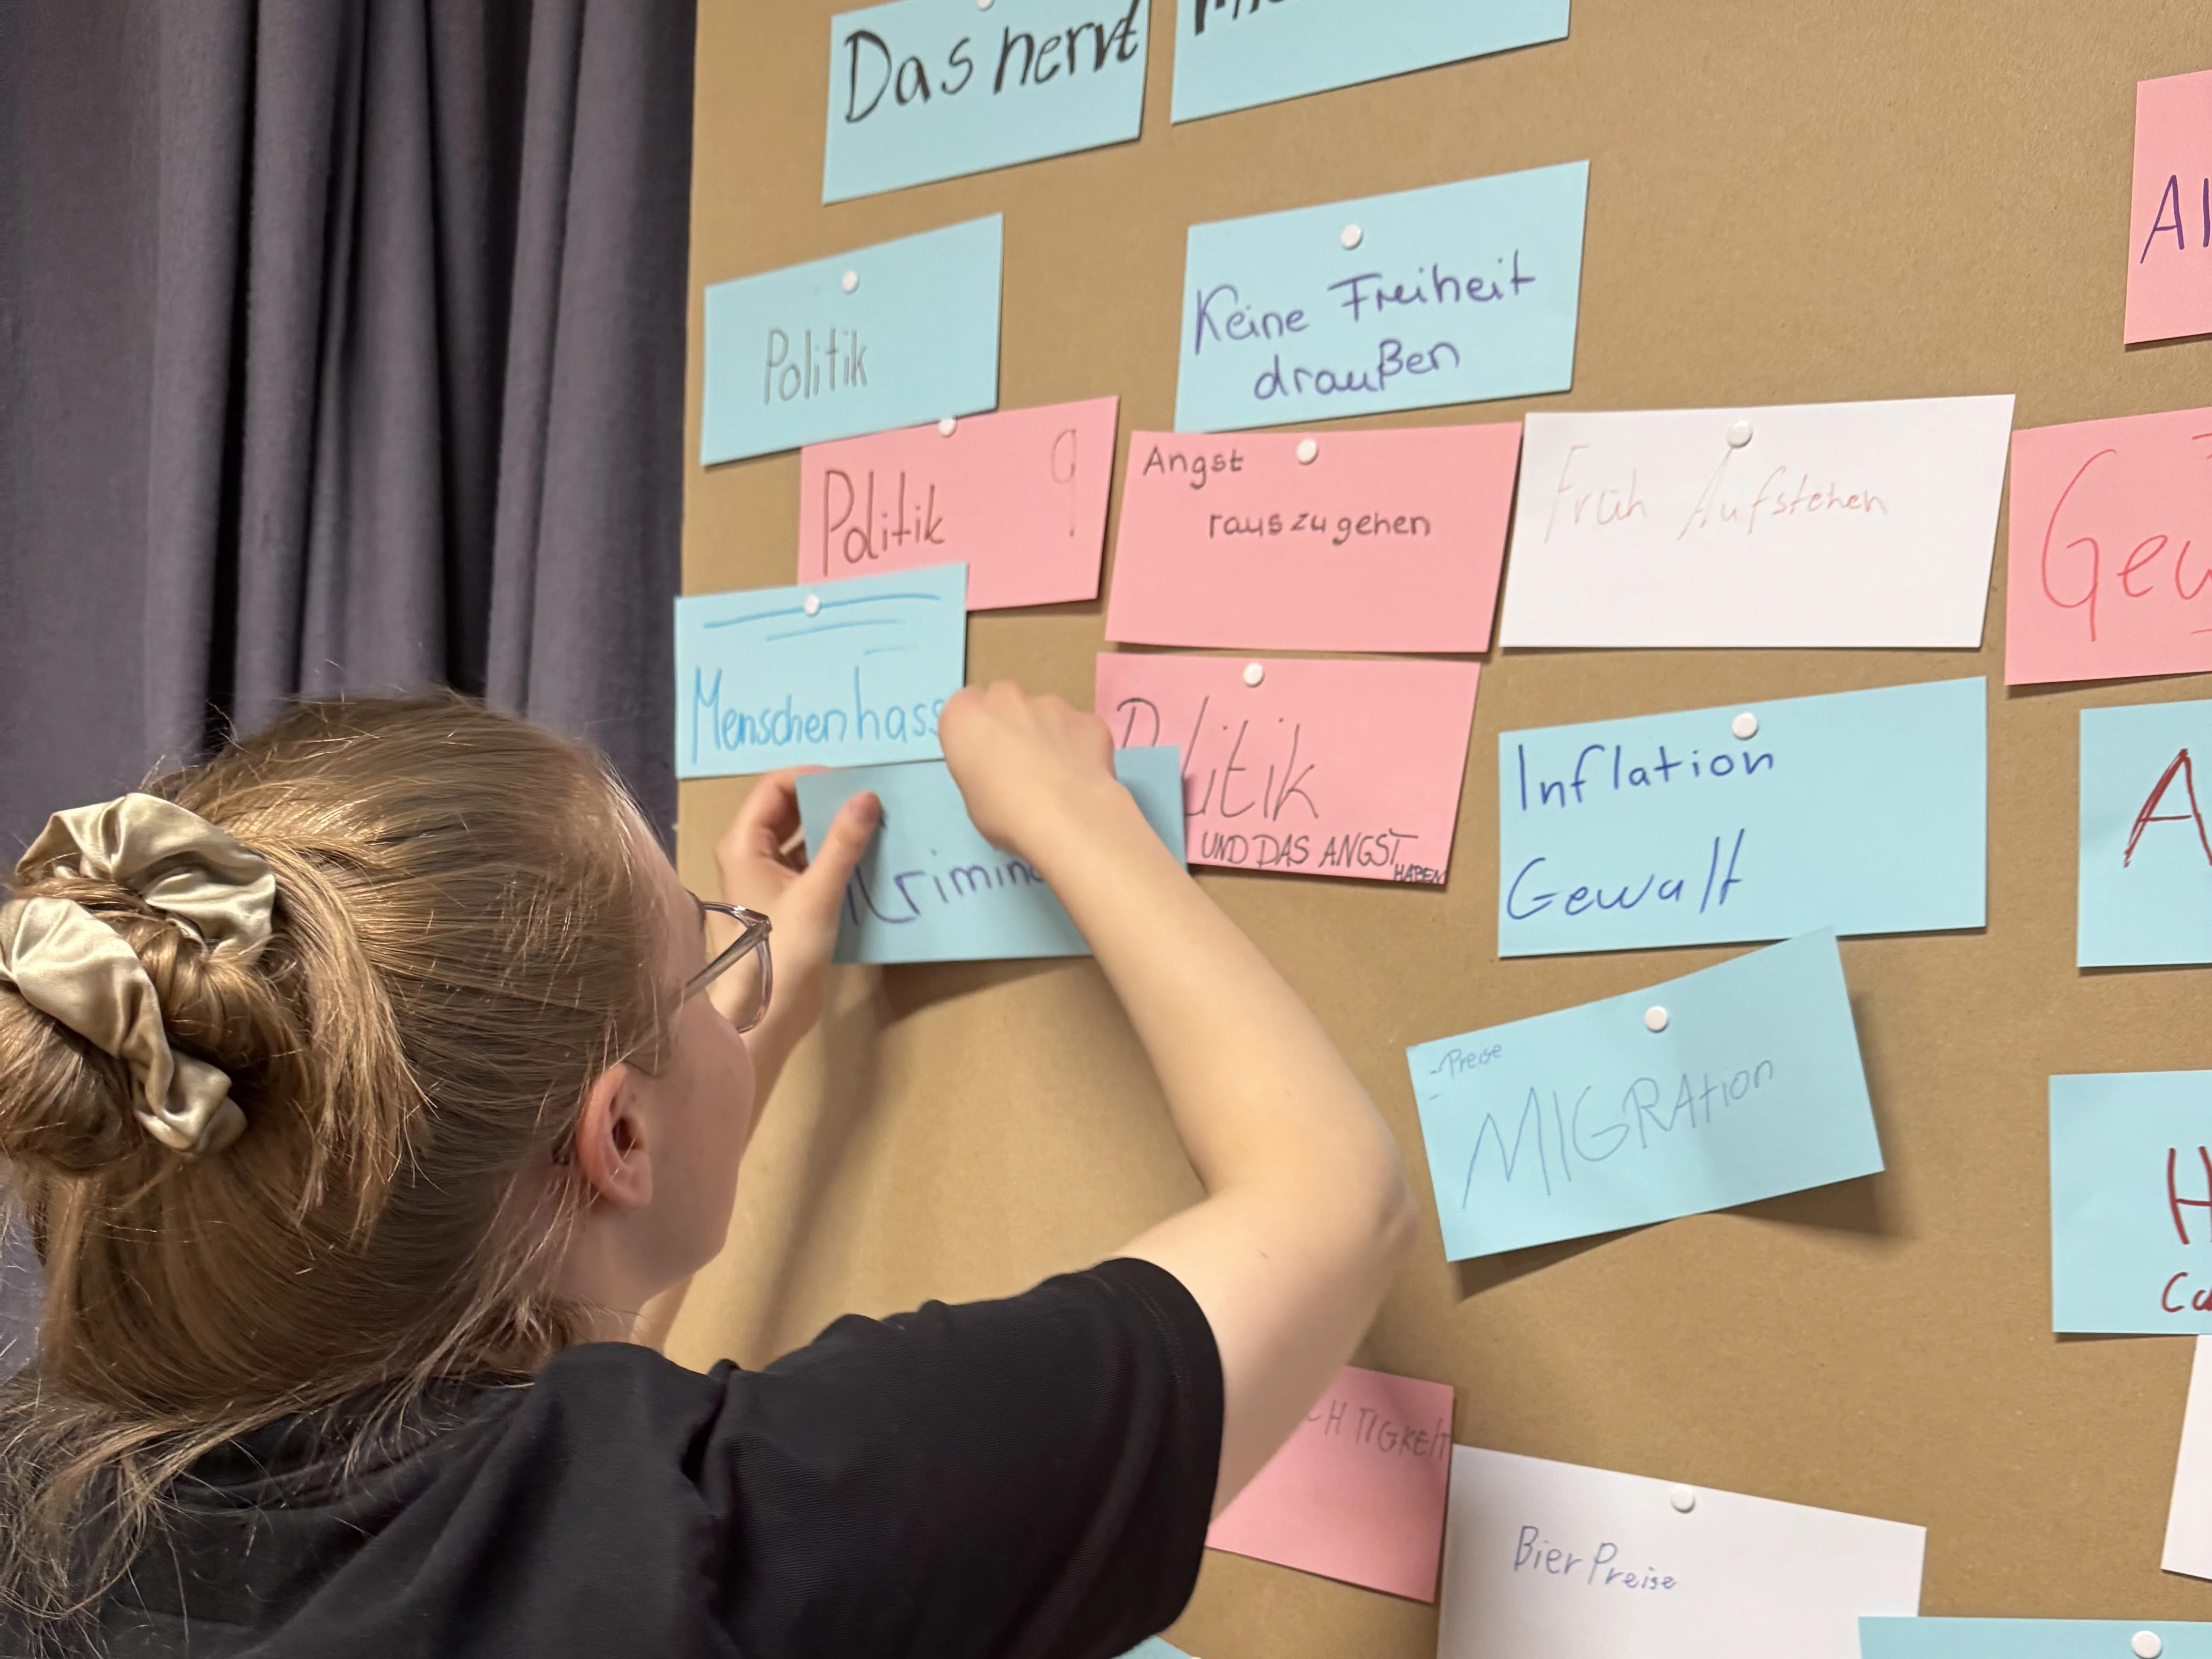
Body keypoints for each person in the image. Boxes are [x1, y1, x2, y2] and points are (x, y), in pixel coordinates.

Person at [0, 683, 1415, 1659]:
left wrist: (727, 1043)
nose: (735, 974)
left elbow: (524, 1464)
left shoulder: (47, 1477)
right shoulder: (746, 1531)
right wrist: (1072, 816)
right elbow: (1331, 1196)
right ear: (615, 1136)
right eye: (704, 952)